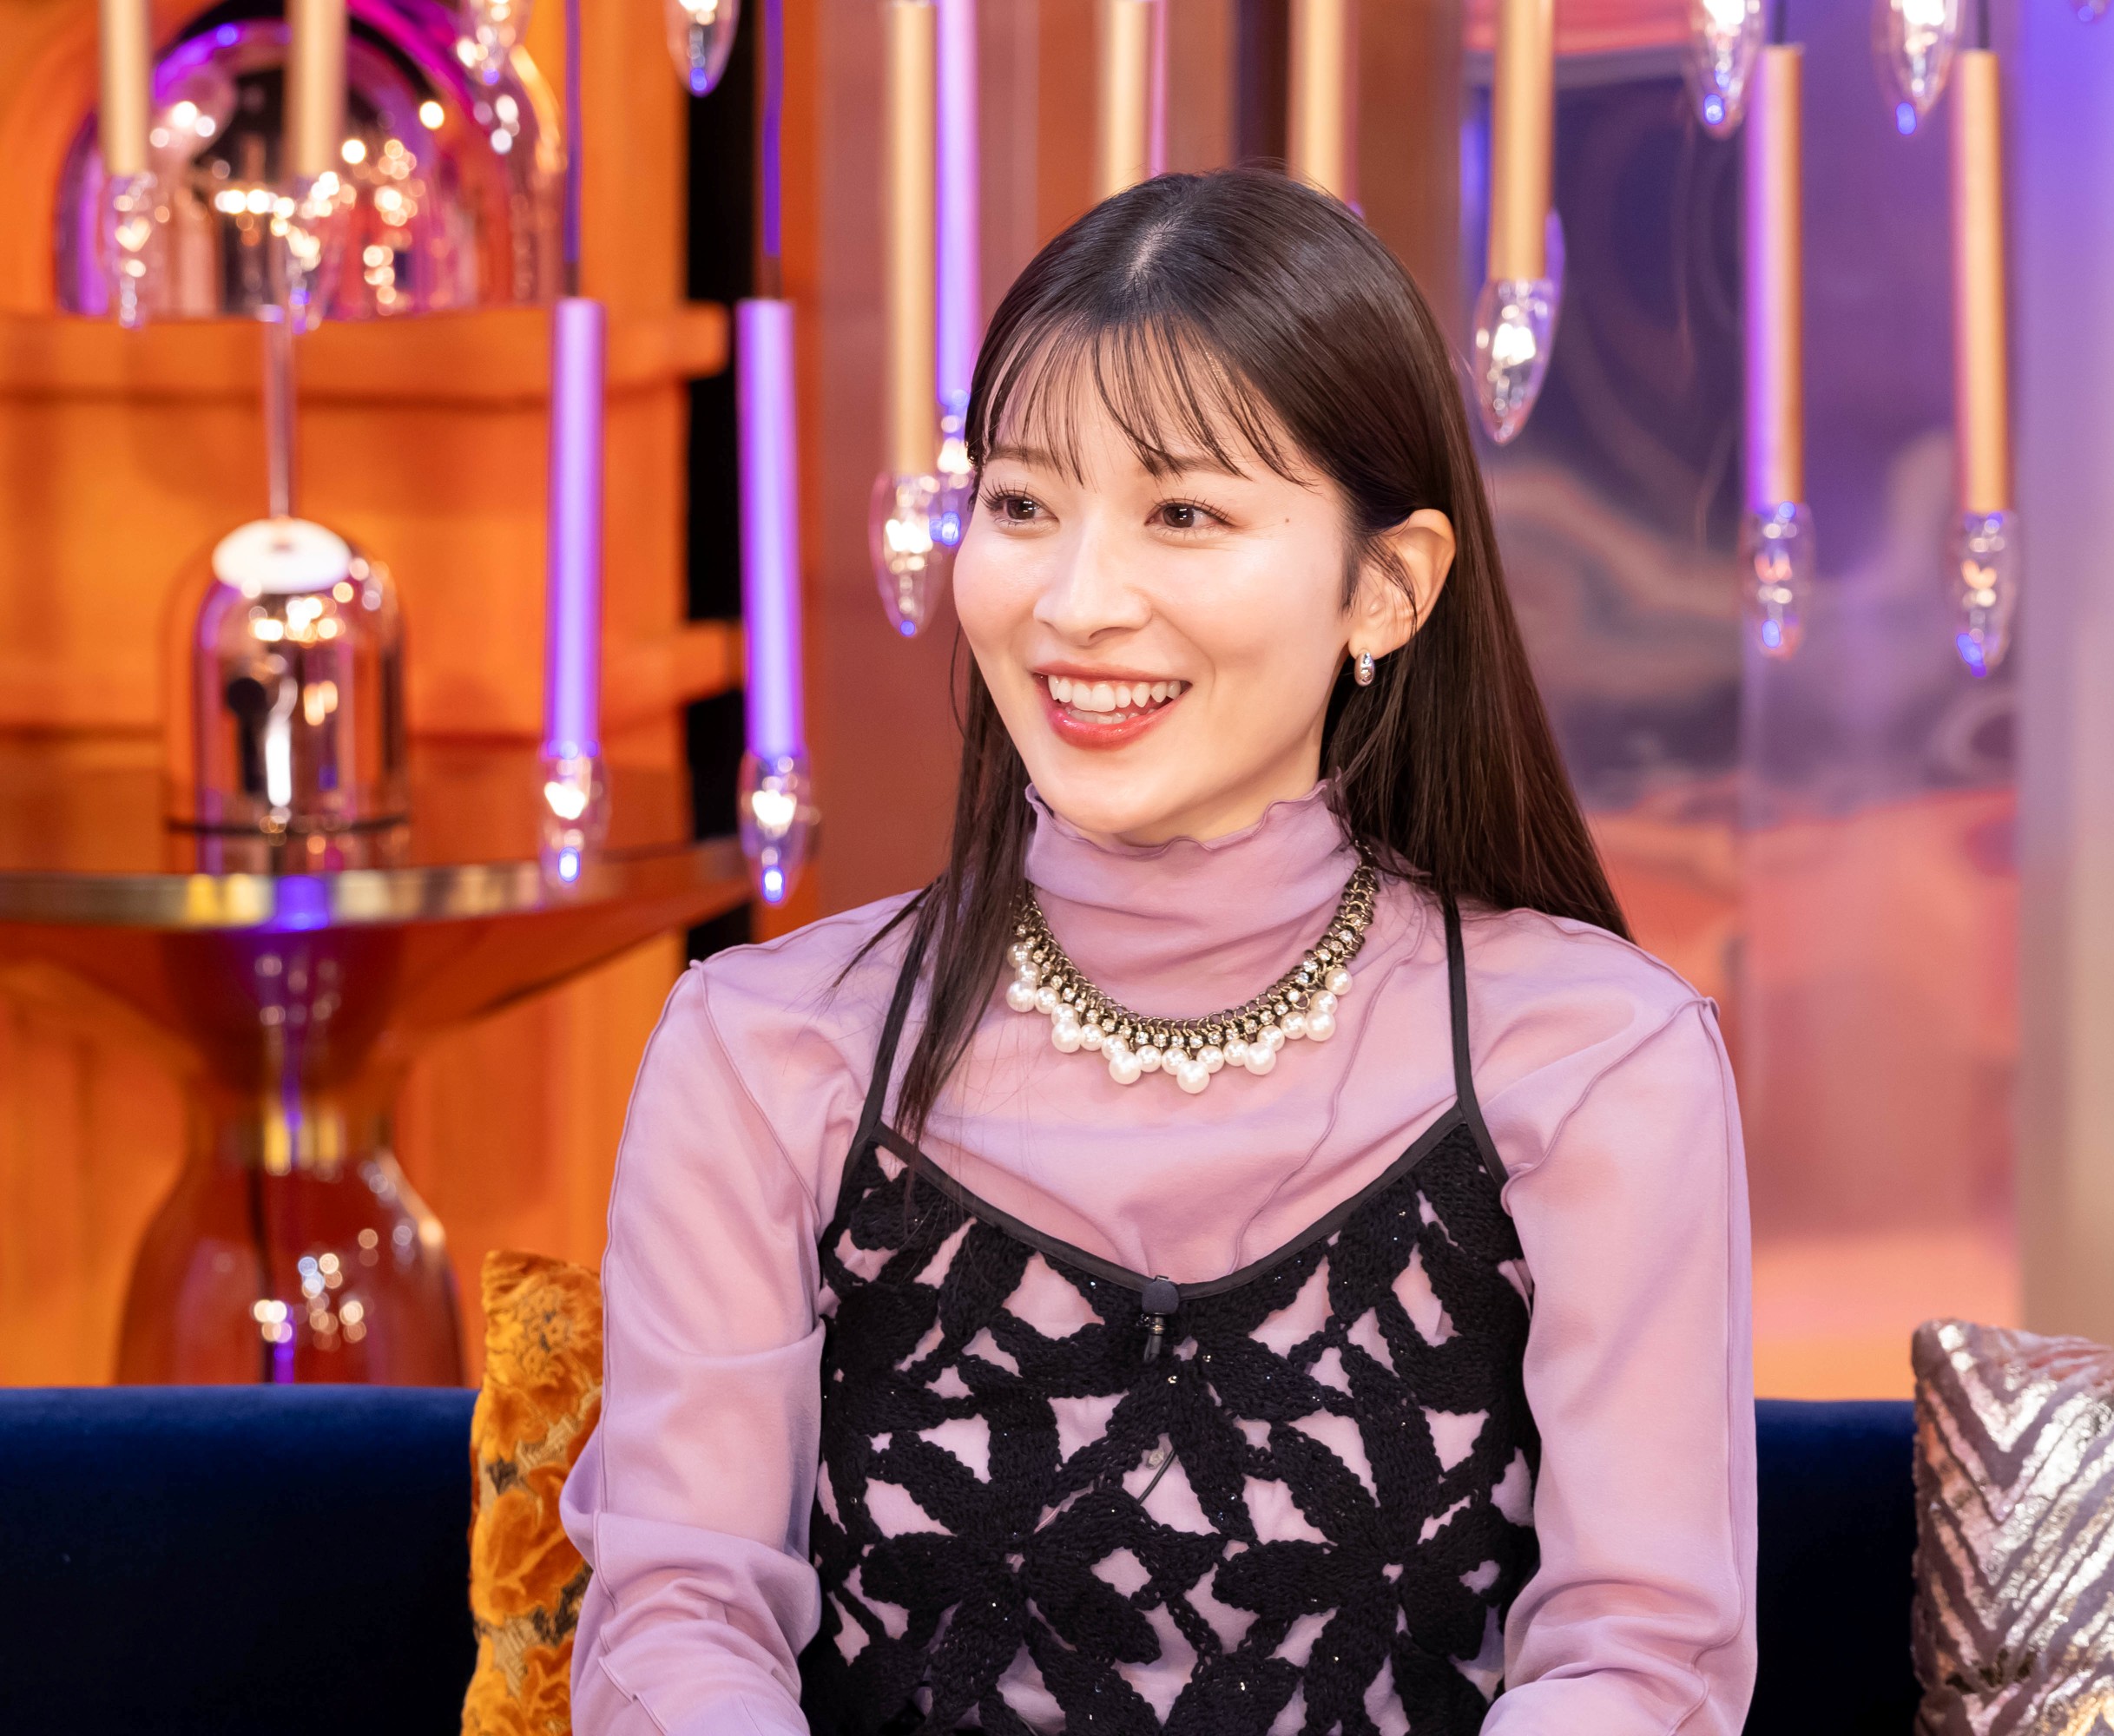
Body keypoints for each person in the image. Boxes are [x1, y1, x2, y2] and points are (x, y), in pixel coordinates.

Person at [564, 168, 1755, 1736]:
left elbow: (1638, 1659)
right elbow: (678, 1623)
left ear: (1386, 590)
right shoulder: (765, 1050)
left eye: (1183, 514)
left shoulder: (1598, 1061)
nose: (1075, 603)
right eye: (1021, 504)